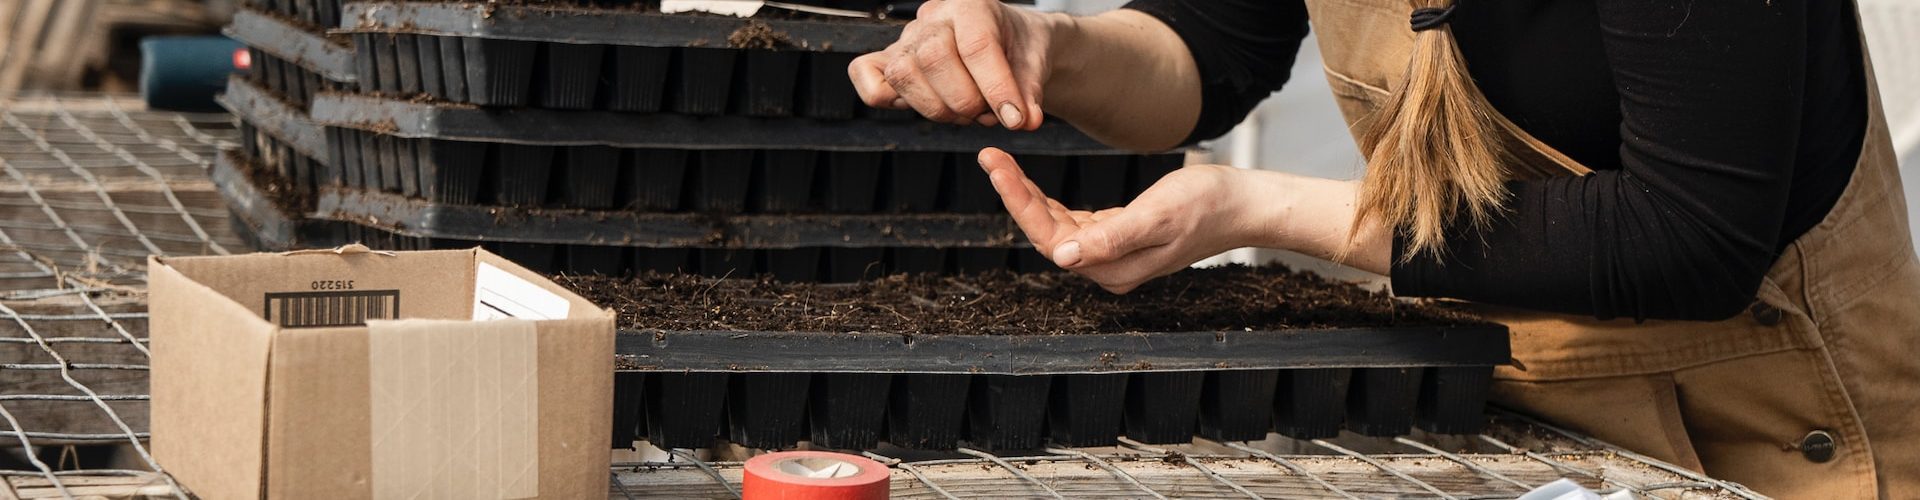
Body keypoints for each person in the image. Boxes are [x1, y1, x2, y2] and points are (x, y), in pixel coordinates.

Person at [849, 0, 1919, 497]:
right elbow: (1209, 53)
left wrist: (1255, 206)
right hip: (1517, 422)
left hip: (1773, 429)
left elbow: (1688, 235)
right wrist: (1053, 45)